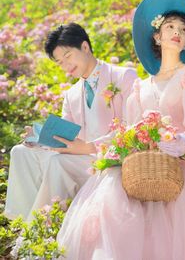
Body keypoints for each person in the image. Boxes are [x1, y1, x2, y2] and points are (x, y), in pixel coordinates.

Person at [57, 0, 185, 259]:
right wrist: (85, 148)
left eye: (184, 30)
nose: (177, 32)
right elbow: (129, 134)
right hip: (154, 166)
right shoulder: (141, 88)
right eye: (170, 27)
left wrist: (184, 144)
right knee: (112, 189)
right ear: (157, 36)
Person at [4, 23, 137, 221]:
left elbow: (132, 129)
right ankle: (22, 222)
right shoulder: (71, 94)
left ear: (85, 47)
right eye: (59, 62)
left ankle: (44, 224)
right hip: (78, 159)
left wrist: (89, 147)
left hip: (111, 159)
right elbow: (65, 137)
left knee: (59, 162)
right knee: (21, 152)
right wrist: (39, 138)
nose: (66, 66)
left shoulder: (123, 76)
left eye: (67, 56)